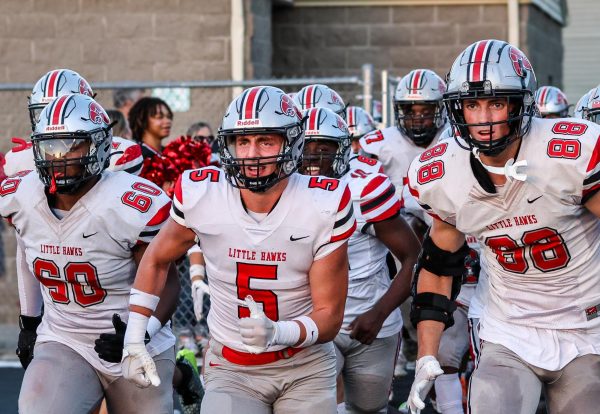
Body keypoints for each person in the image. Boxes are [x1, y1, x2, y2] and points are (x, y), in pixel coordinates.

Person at [119, 86, 355, 414]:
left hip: (304, 365)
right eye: (242, 141)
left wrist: (278, 331)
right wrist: (134, 336)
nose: (252, 153)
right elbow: (157, 259)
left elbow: (329, 317)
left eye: (265, 140)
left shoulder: (322, 203)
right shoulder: (205, 193)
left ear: (292, 143)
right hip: (232, 367)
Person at [406, 39, 600, 414]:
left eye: (496, 102)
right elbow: (438, 266)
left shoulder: (567, 154)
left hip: (586, 327)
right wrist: (426, 356)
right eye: (472, 104)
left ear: (520, 103)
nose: (484, 118)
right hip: (508, 330)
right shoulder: (445, 173)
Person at [4, 94, 180, 413]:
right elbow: (26, 256)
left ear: (99, 146)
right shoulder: (21, 196)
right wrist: (29, 325)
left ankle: (182, 376)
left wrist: (139, 334)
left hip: (135, 341)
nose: (59, 157)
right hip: (64, 339)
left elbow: (167, 280)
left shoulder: (126, 203)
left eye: (72, 146)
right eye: (50, 146)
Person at [300, 107, 420, 414]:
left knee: (370, 408)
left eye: (323, 148)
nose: (312, 157)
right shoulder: (281, 191)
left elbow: (413, 256)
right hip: (313, 323)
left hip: (368, 321)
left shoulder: (363, 188)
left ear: (342, 149)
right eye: (304, 147)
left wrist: (378, 313)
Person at [359, 69, 447, 193]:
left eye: (425, 112)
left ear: (441, 110)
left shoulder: (454, 137)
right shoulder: (379, 146)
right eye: (410, 112)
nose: (417, 119)